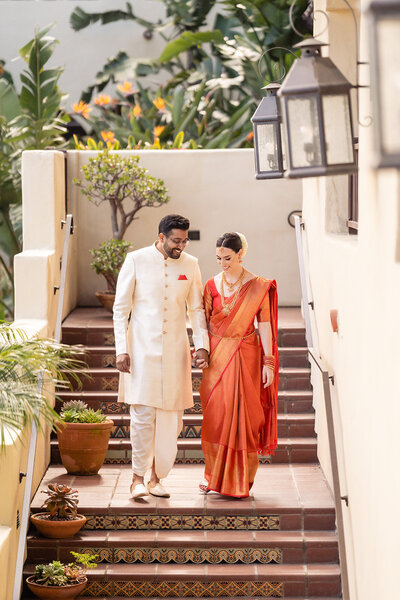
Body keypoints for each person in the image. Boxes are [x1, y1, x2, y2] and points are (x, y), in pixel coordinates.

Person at [113, 214, 209, 499]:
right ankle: (136, 479)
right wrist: (122, 349)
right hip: (141, 350)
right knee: (142, 414)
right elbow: (121, 309)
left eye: (184, 240)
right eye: (176, 241)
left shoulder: (191, 265)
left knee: (172, 418)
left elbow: (197, 310)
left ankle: (156, 478)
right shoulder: (136, 260)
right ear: (161, 238)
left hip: (175, 351)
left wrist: (201, 344)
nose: (180, 246)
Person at [197, 232, 278, 498]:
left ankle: (241, 481)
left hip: (246, 354)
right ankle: (214, 477)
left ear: (241, 253)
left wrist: (269, 362)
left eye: (228, 258)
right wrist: (202, 352)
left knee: (245, 416)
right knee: (217, 416)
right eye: (218, 258)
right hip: (217, 358)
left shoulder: (257, 286)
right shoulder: (211, 285)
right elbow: (204, 324)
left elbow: (264, 326)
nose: (222, 263)